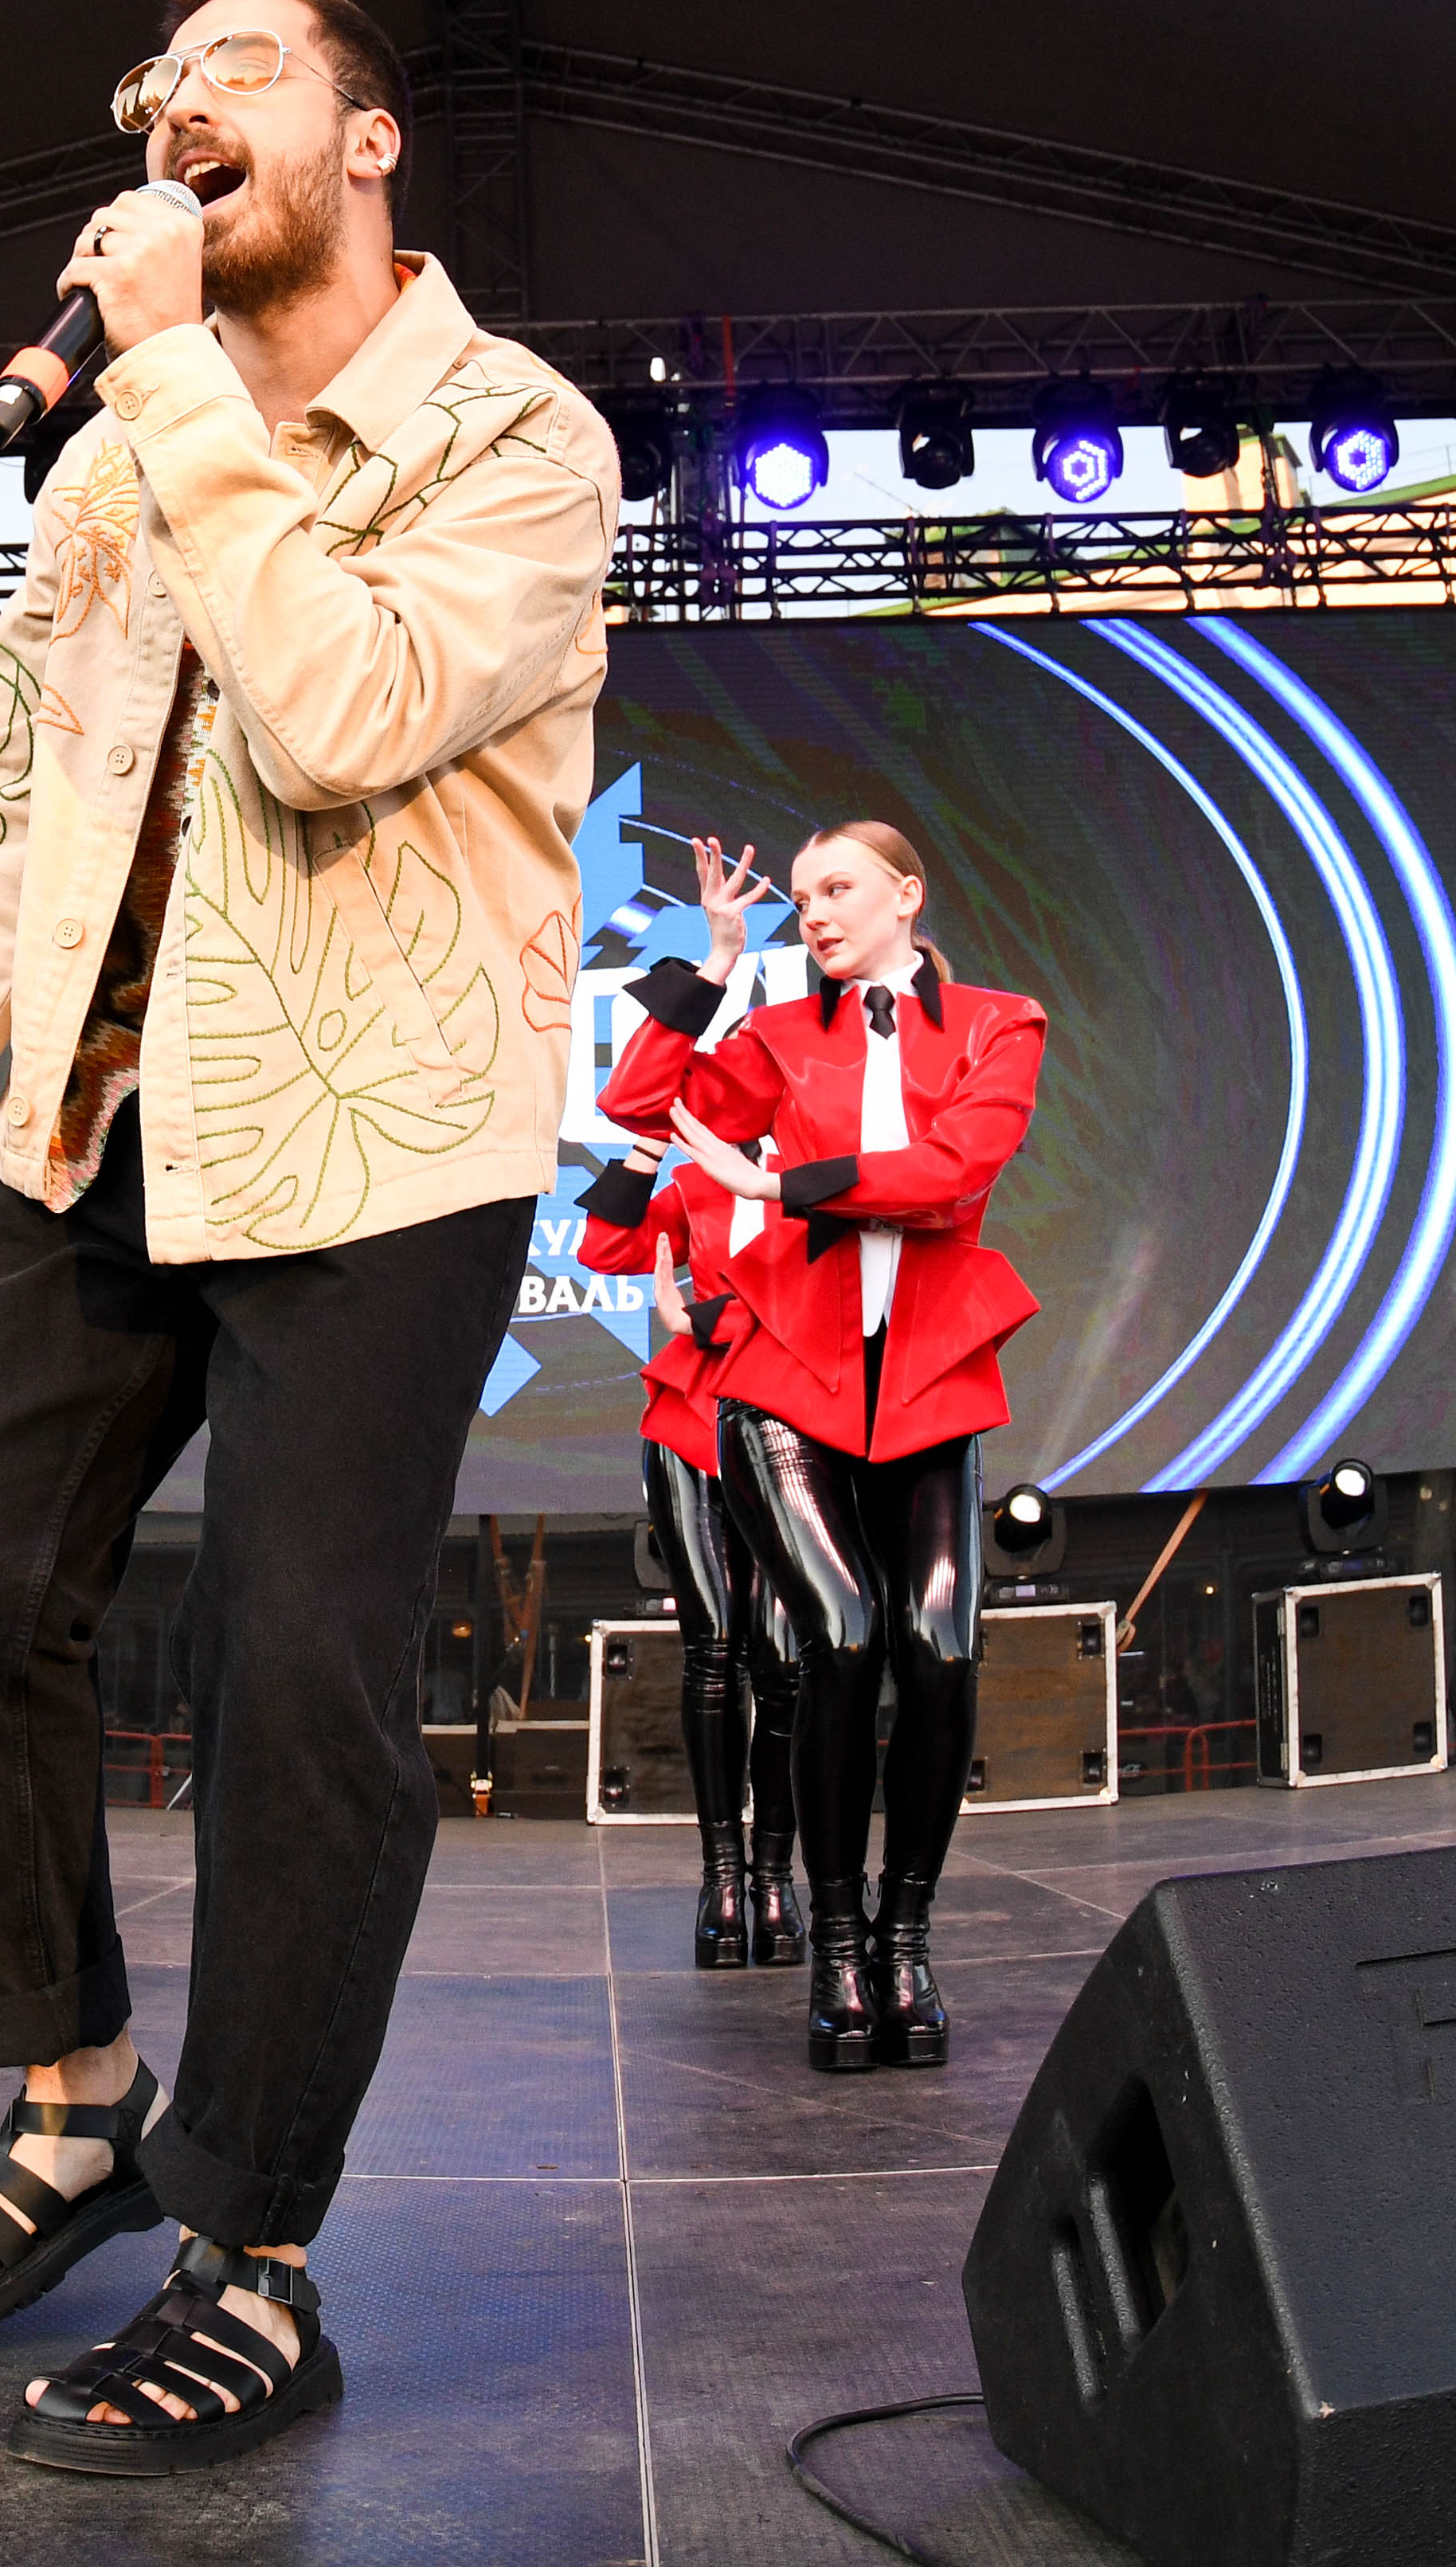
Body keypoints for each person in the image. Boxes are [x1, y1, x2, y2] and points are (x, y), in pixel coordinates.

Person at [0, 0, 618, 2474]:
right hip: (88, 1118)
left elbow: (345, 714)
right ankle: (76, 2101)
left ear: (367, 140)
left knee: (298, 1677)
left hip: (382, 1140)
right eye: (162, 83)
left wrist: (171, 382)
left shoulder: (519, 436)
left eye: (245, 69)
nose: (184, 105)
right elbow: (1, 808)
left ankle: (254, 2256)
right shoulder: (99, 476)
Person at [602, 824, 1047, 2075]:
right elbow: (638, 1108)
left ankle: (907, 1944)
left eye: (837, 888)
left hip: (930, 1381)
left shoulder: (1002, 1024)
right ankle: (838, 1947)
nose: (815, 912)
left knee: (941, 1653)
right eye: (799, 899)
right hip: (783, 1384)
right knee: (840, 1641)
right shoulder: (779, 1033)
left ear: (908, 892)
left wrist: (779, 1188)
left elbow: (953, 1174)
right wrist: (713, 960)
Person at [574, 1125, 804, 1966]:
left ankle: (774, 1878)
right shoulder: (691, 1191)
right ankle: (723, 1880)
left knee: (784, 1663)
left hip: (789, 1429)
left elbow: (816, 1303)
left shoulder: (809, 1188)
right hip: (692, 1426)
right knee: (714, 1647)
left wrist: (699, 1318)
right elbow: (603, 1249)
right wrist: (644, 1150)